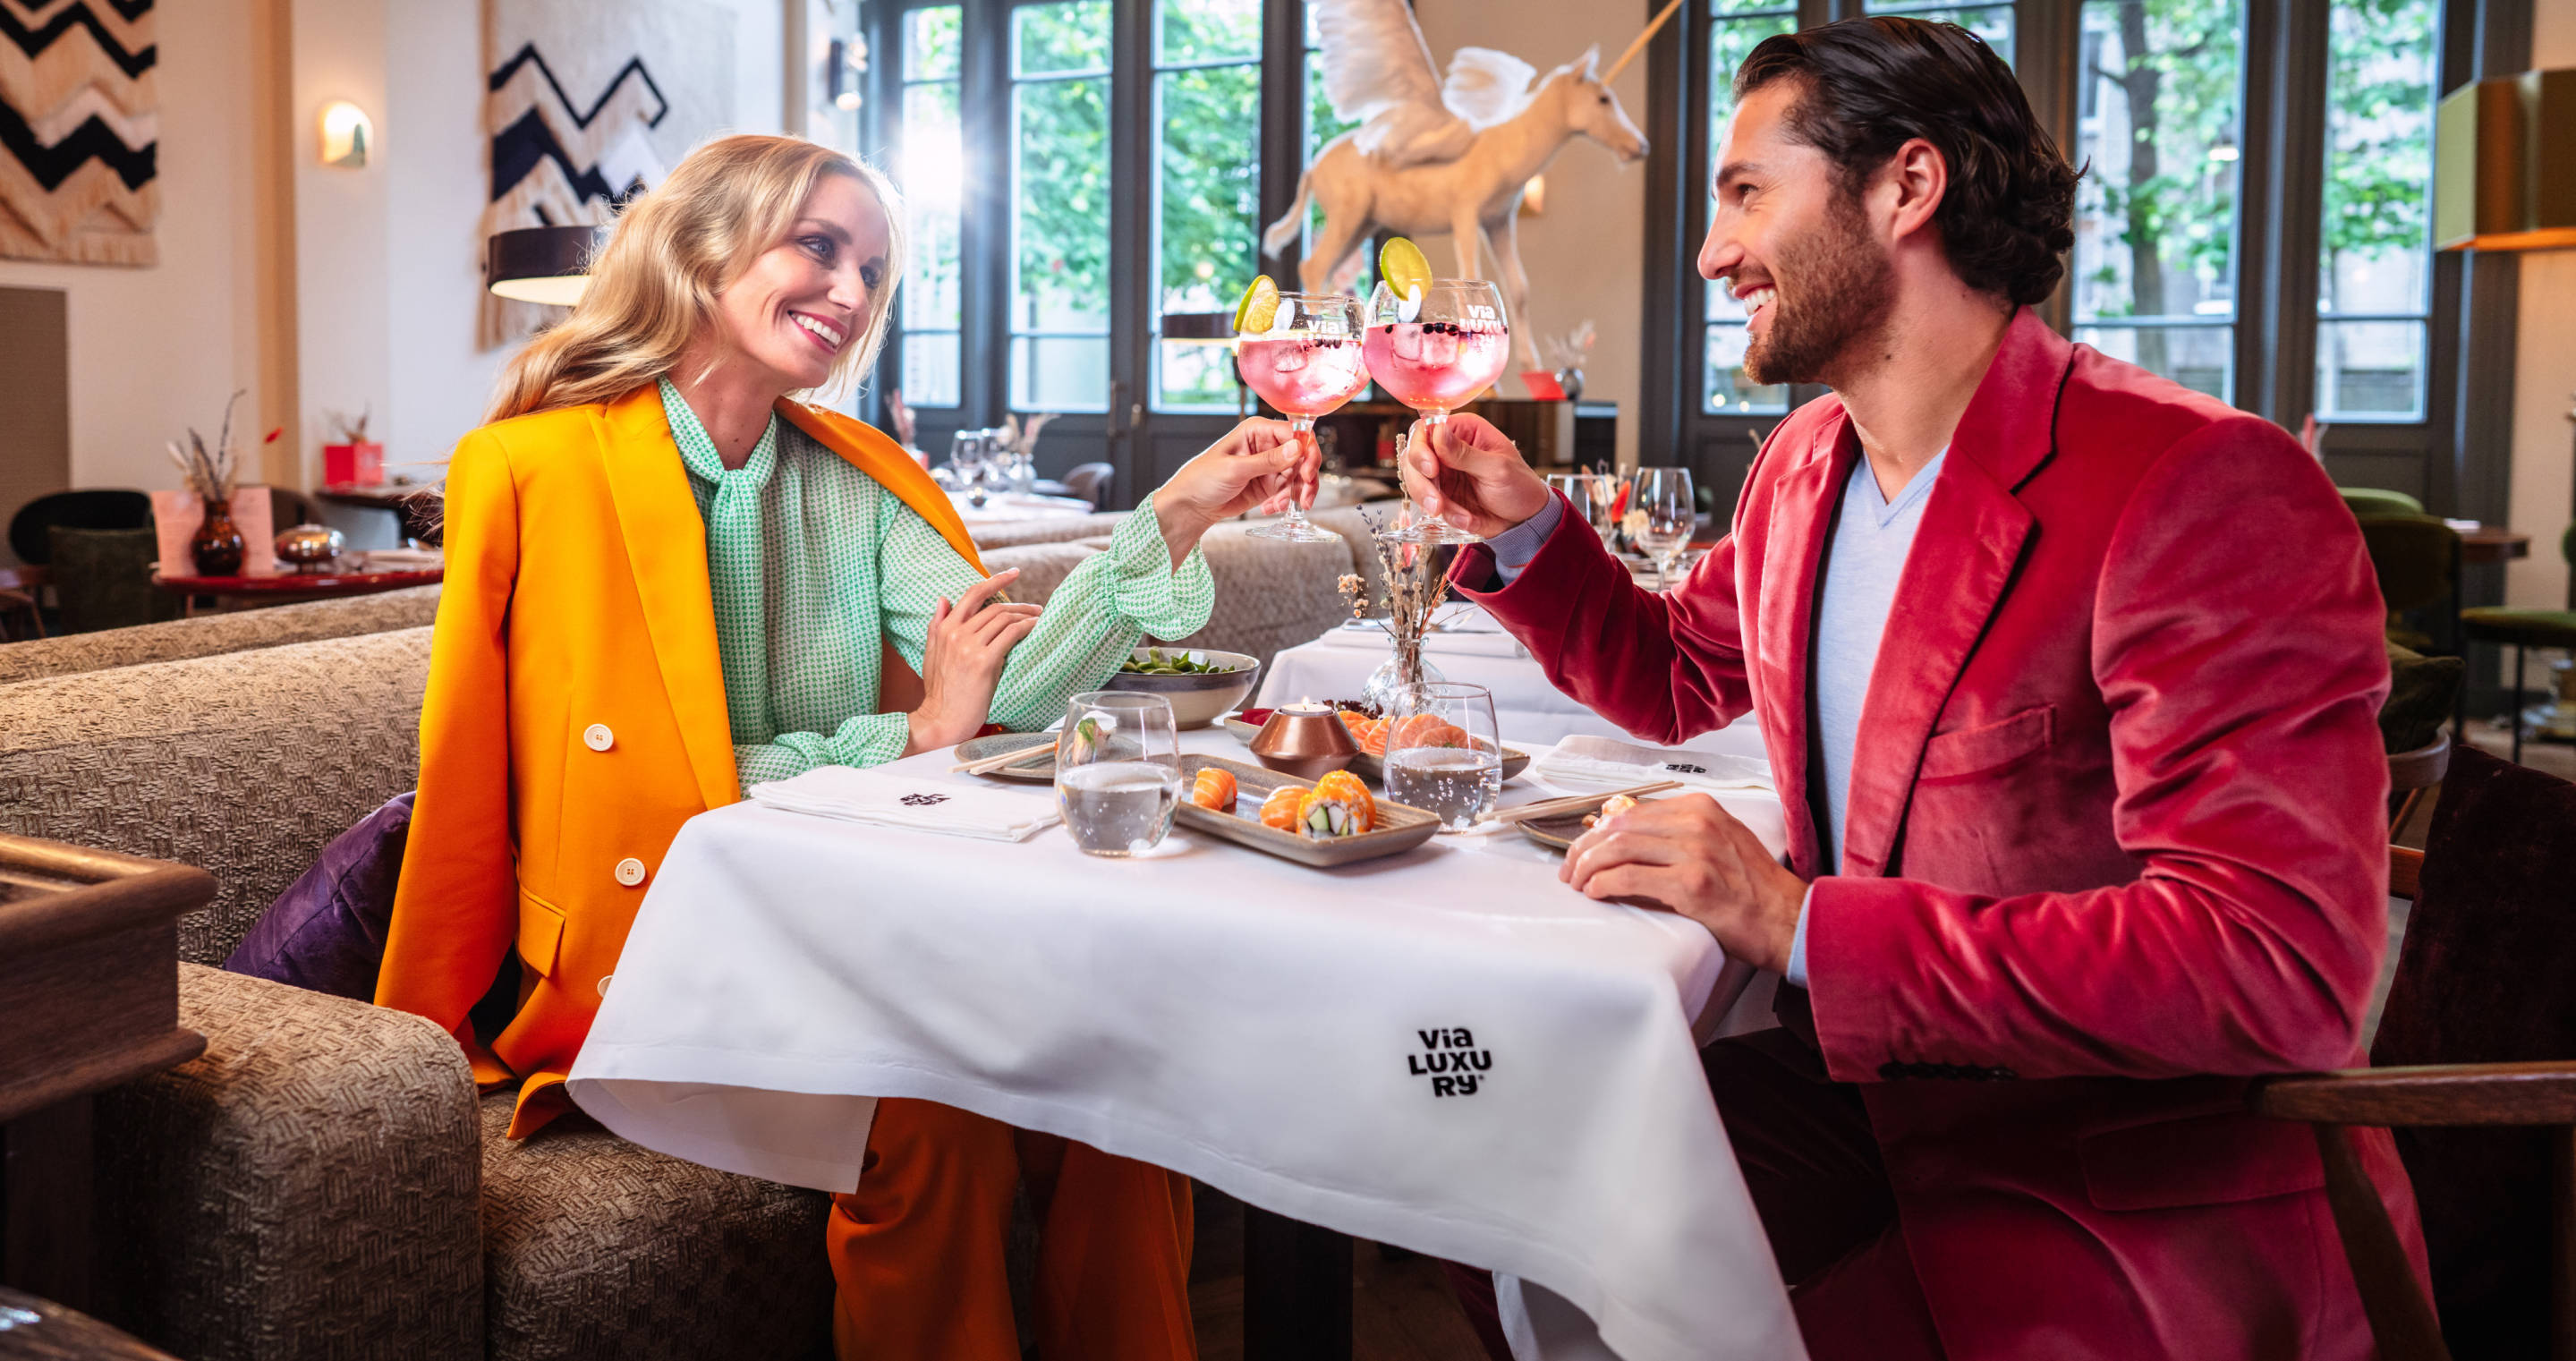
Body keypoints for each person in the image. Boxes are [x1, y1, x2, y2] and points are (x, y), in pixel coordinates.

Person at [1400, 18, 2425, 1359]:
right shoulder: (1804, 466)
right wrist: (1531, 527)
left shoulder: (2198, 484)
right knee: (1487, 1176)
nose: (1711, 253)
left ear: (1908, 186)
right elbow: (1677, 671)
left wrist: (1796, 920)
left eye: (1747, 192)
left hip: (2117, 1174)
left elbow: (2274, 966)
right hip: (1877, 1097)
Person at [375, 134, 1306, 1361]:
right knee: (929, 1116)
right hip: (656, 946)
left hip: (854, 925)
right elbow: (632, 791)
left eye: (871, 269)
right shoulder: (530, 470)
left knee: (1115, 1076)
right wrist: (909, 734)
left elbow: (1015, 691)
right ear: (700, 250)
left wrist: (1175, 515)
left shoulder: (860, 479)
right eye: (817, 247)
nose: (851, 292)